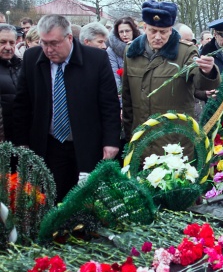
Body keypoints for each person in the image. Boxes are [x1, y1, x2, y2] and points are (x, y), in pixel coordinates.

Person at [13, 14, 121, 203]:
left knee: (86, 201)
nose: (48, 49)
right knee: (51, 199)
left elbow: (109, 104)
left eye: (54, 43)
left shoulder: (95, 59)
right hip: (49, 143)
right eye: (44, 43)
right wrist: (22, 142)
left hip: (87, 143)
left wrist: (111, 141)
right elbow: (22, 103)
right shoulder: (32, 58)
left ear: (69, 37)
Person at [122, 0, 220, 157]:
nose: (158, 37)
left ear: (171, 30)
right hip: (141, 143)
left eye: (164, 31)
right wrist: (129, 136)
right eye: (153, 31)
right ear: (144, 27)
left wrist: (208, 72)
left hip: (174, 145)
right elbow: (127, 99)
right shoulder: (131, 52)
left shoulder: (186, 52)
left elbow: (200, 82)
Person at [107, 17, 140, 94]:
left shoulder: (143, 46)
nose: (124, 34)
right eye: (121, 32)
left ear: (133, 31)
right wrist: (119, 93)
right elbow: (114, 74)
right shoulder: (112, 50)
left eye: (127, 31)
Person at [0, 24, 22, 142]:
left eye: (11, 43)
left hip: (18, 139)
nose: (8, 47)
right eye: (2, 42)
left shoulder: (21, 66)